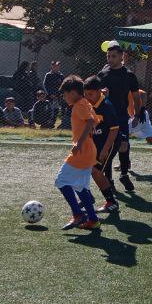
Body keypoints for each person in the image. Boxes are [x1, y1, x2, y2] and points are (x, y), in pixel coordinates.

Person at [55, 75, 100, 231]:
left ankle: (78, 214)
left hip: (83, 151)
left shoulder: (79, 105)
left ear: (73, 92)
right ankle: (93, 220)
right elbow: (95, 120)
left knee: (61, 181)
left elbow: (89, 121)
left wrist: (79, 143)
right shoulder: (86, 103)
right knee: (80, 187)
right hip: (89, 151)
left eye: (65, 94)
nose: (65, 97)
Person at [97, 42, 139, 192]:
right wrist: (101, 92)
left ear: (121, 57)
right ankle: (108, 178)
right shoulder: (102, 74)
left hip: (121, 116)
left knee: (124, 145)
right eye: (108, 56)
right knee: (107, 148)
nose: (110, 59)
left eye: (113, 56)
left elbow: (136, 96)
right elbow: (93, 93)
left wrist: (138, 113)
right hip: (106, 117)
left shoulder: (129, 75)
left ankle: (123, 174)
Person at [86, 77, 123, 216]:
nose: (87, 97)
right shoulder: (88, 104)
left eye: (90, 94)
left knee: (95, 171)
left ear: (98, 92)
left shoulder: (106, 106)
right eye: (85, 94)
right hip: (97, 143)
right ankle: (90, 197)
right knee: (89, 169)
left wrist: (105, 150)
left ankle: (111, 202)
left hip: (110, 143)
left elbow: (114, 130)